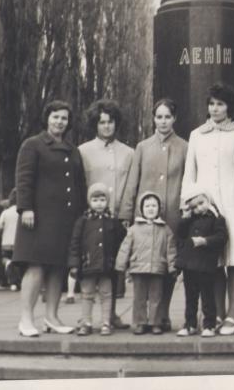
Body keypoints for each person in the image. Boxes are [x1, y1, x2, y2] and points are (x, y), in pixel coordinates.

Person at [181, 82, 234, 336]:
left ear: (229, 107)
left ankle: (232, 316)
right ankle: (213, 315)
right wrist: (187, 206)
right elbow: (189, 175)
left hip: (233, 203)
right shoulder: (196, 135)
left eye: (220, 104)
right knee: (210, 262)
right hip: (205, 207)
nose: (215, 109)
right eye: (212, 104)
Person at [13, 100, 87, 337]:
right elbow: (24, 179)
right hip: (37, 218)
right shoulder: (32, 145)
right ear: (47, 119)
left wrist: (81, 215)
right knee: (35, 268)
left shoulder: (73, 150)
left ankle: (52, 317)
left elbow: (79, 185)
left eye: (64, 118)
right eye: (55, 117)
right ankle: (26, 319)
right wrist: (25, 208)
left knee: (58, 269)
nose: (59, 122)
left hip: (65, 221)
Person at [118, 98, 188, 331]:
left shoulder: (185, 147)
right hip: (145, 218)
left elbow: (189, 181)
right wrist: (127, 213)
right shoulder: (142, 147)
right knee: (143, 272)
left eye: (167, 117)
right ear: (153, 119)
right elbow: (132, 182)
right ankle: (140, 319)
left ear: (174, 119)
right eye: (159, 117)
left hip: (172, 217)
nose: (163, 121)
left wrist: (186, 211)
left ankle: (161, 317)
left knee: (167, 268)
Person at [77, 99, 133, 328]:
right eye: (102, 122)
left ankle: (111, 315)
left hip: (116, 218)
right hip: (91, 219)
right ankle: (86, 316)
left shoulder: (129, 152)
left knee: (113, 268)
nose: (107, 126)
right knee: (91, 268)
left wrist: (126, 214)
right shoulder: (83, 151)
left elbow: (131, 185)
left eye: (110, 122)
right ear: (95, 125)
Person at [68, 183, 126, 337]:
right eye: (95, 200)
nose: (99, 203)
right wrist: (74, 263)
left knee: (106, 295)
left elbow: (121, 241)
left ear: (107, 201)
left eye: (102, 199)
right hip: (87, 265)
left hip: (107, 266)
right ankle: (86, 322)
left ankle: (106, 322)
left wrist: (120, 261)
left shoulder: (113, 221)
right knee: (87, 294)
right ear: (89, 201)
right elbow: (75, 243)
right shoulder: (83, 221)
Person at [115, 192, 177, 335]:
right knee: (139, 298)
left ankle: (155, 322)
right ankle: (140, 322)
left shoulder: (165, 229)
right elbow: (125, 247)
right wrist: (121, 265)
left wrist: (172, 266)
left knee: (156, 297)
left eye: (154, 206)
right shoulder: (134, 229)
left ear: (159, 209)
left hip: (158, 268)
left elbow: (171, 250)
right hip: (138, 268)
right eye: (147, 206)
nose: (150, 208)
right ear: (141, 209)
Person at [176, 184, 227, 337]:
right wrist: (185, 218)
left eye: (201, 203)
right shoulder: (190, 219)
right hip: (189, 264)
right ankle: (190, 324)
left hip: (206, 264)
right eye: (195, 206)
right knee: (190, 297)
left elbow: (221, 237)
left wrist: (205, 241)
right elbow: (180, 233)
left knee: (207, 296)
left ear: (208, 200)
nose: (199, 208)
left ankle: (209, 325)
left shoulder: (217, 218)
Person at [0, 188, 20, 291]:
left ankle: (12, 281)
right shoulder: (21, 212)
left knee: (6, 259)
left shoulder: (5, 212)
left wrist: (0, 235)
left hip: (6, 241)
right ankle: (17, 282)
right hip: (18, 242)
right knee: (19, 263)